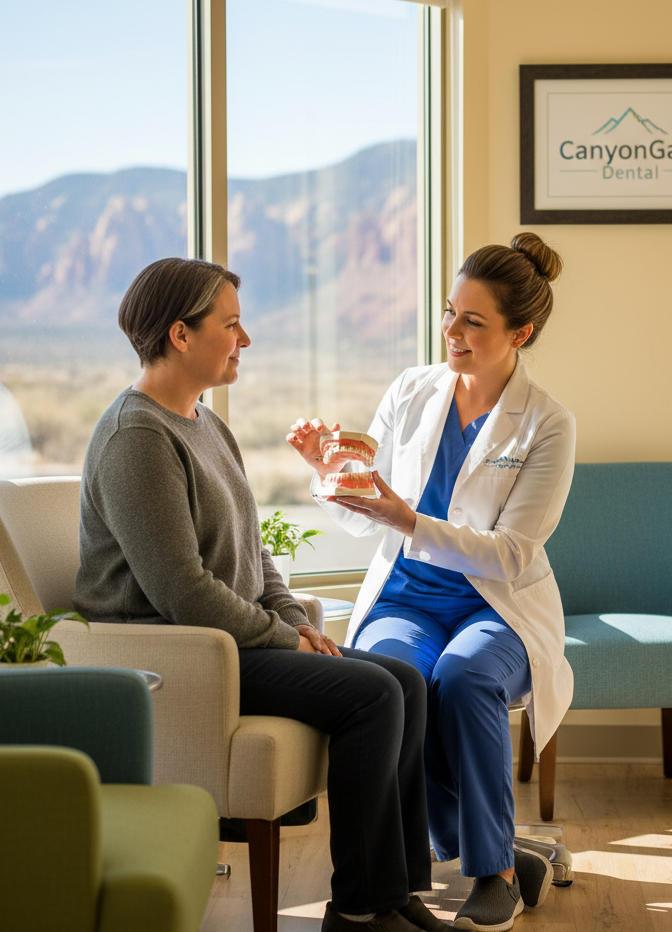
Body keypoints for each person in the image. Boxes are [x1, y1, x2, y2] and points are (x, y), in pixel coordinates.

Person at [73, 258, 446, 932]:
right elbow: (182, 590)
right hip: (184, 651)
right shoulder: (138, 438)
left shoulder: (206, 425)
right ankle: (359, 912)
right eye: (232, 325)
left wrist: (290, 617)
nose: (244, 340)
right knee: (371, 693)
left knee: (406, 682)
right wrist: (285, 636)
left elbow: (253, 550)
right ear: (181, 336)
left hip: (232, 640)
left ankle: (392, 893)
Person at [287, 233, 575, 932]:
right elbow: (368, 519)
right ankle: (417, 873)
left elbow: (509, 555)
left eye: (473, 321)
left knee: (465, 678)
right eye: (450, 313)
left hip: (495, 607)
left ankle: (495, 872)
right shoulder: (412, 391)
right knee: (391, 681)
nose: (452, 331)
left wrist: (407, 517)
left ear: (521, 333)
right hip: (405, 599)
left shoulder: (548, 424)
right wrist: (330, 473)